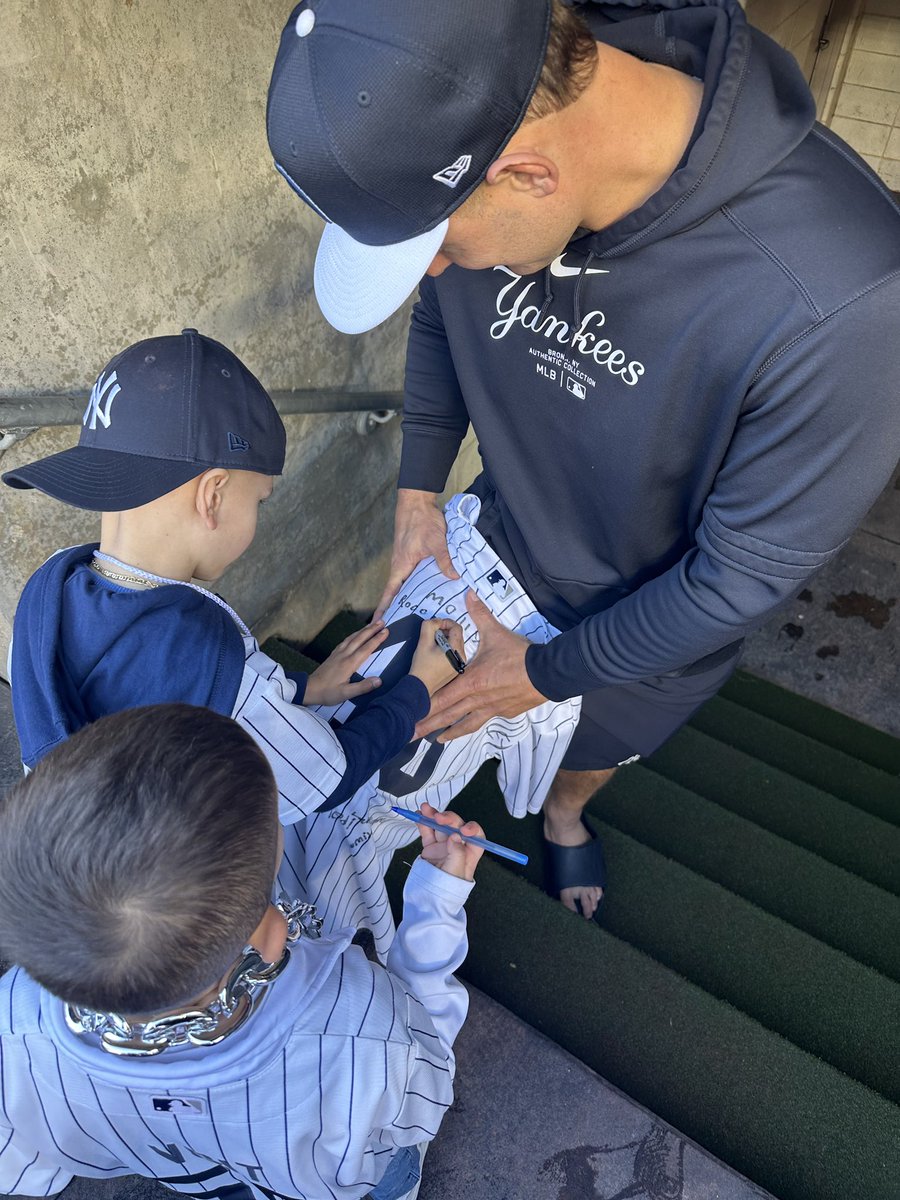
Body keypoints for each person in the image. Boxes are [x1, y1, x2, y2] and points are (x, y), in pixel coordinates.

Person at [266, 0, 900, 919]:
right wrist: (416, 494)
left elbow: (734, 586)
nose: (436, 272)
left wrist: (538, 675)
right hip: (496, 546)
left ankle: (564, 818)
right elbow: (442, 314)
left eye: (436, 247)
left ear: (528, 174)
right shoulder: (508, 145)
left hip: (654, 632)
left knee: (586, 759)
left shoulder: (846, 305)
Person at [0, 702, 483, 1200]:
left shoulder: (15, 1021)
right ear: (271, 935)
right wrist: (436, 900)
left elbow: (17, 1144)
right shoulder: (357, 1029)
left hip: (181, 1161)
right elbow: (424, 1072)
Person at [2, 327, 464, 821]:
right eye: (259, 499)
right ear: (213, 495)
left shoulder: (47, 586)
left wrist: (302, 688)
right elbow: (326, 778)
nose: (259, 515)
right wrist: (419, 686)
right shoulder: (203, 656)